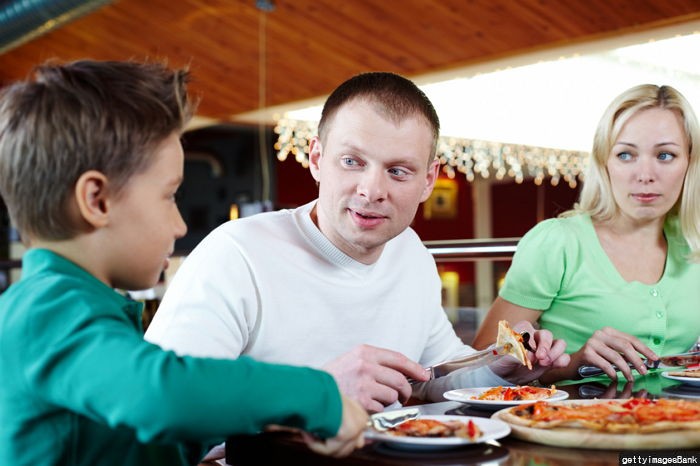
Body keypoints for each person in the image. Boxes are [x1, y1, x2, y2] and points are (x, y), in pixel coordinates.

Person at [0, 59, 367, 466]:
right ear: (97, 201)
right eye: (169, 195)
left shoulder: (76, 307)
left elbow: (134, 446)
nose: (178, 226)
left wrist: (263, 418)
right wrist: (314, 394)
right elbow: (158, 394)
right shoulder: (44, 310)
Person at [145, 71, 570, 413]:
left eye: (398, 171)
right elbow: (162, 405)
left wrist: (501, 367)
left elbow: (434, 381)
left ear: (428, 181)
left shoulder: (411, 253)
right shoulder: (236, 252)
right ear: (315, 159)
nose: (372, 190)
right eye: (352, 162)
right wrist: (319, 392)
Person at [472, 84, 700, 383]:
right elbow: (480, 367)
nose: (645, 174)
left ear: (690, 163)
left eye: (666, 155)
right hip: (576, 423)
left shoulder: (693, 244)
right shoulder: (558, 242)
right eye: (626, 155)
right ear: (605, 163)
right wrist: (575, 362)